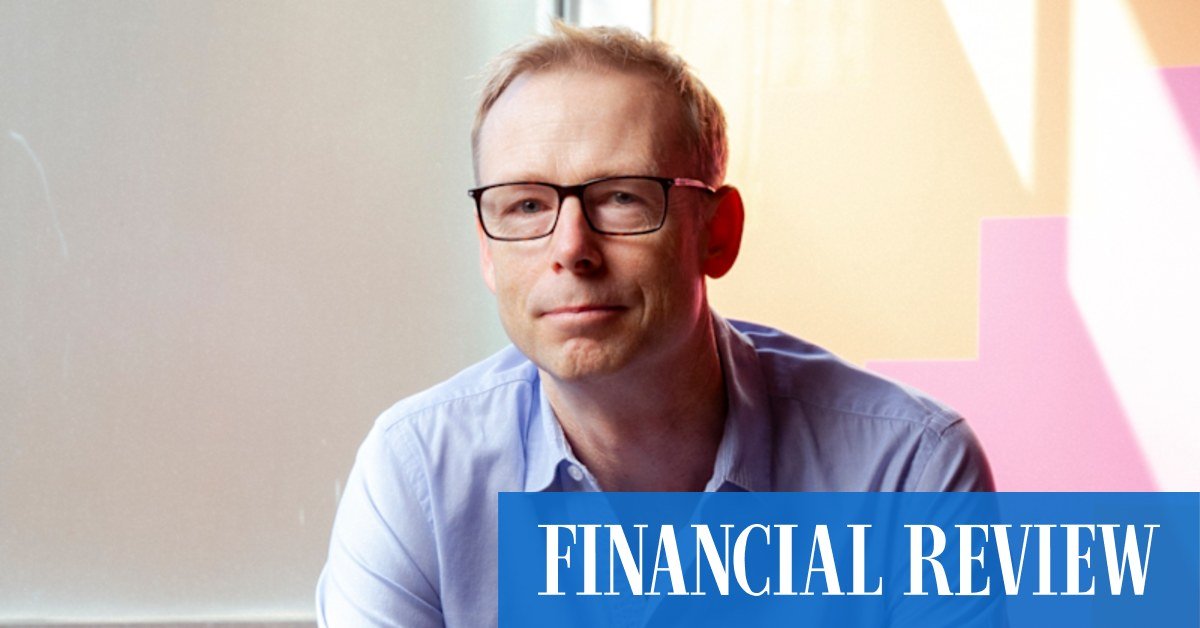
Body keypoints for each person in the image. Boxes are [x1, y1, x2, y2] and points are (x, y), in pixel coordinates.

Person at [316, 22, 993, 627]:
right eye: (525, 206)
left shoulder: (907, 471)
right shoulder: (417, 473)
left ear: (718, 234)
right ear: (487, 251)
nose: (570, 249)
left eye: (621, 197)